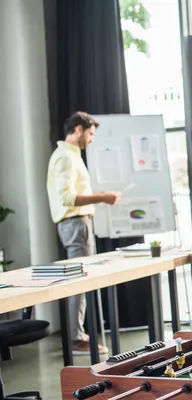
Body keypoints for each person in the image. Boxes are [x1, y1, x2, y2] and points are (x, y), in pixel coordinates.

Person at [46, 111, 121, 355]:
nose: (91, 139)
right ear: (78, 129)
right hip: (76, 223)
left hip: (77, 224)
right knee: (79, 281)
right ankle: (76, 337)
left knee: (80, 279)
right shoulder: (66, 157)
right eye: (90, 134)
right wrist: (103, 198)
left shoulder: (69, 156)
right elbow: (66, 197)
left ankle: (77, 335)